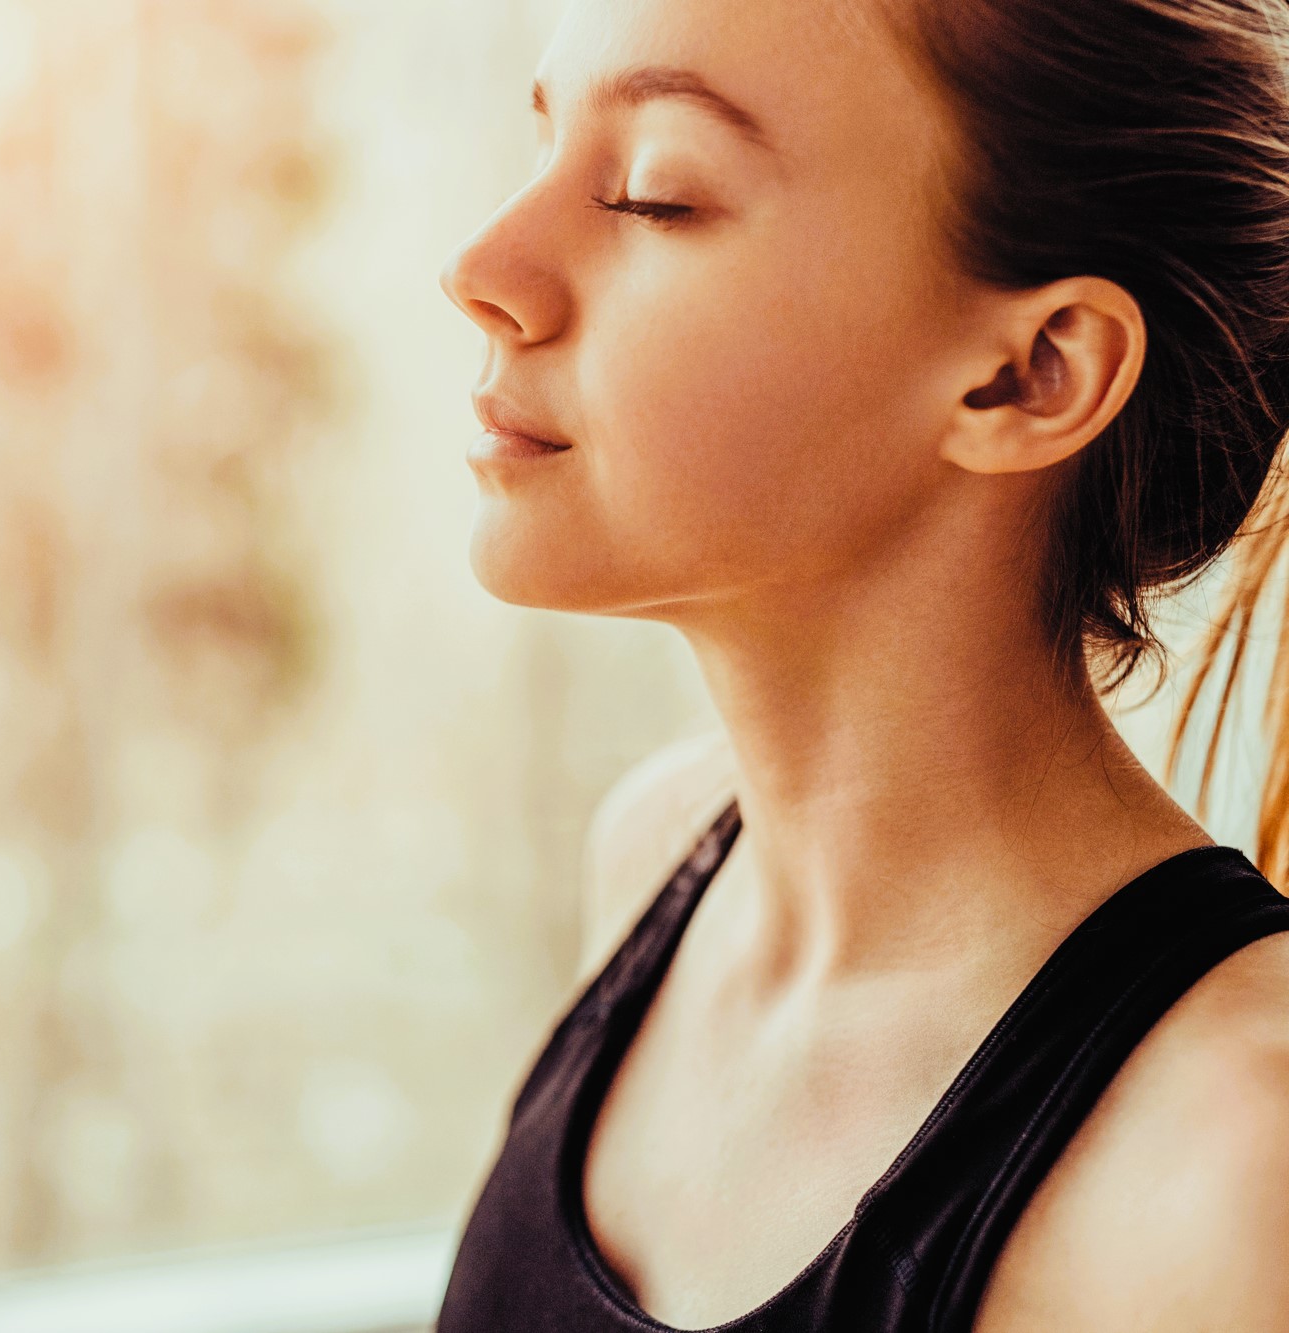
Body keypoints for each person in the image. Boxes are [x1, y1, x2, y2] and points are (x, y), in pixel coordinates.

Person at [432, 0, 1289, 1328]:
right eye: (541, 142)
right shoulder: (657, 854)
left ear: (1031, 373)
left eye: (655, 194)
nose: (482, 264)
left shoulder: (1237, 1165)